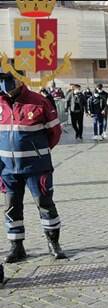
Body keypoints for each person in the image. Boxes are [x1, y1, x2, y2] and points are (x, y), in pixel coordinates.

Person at [0, 72, 67, 264]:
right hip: (8, 170)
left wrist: (39, 152)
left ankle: (53, 243)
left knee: (45, 205)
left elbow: (54, 133)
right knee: (12, 208)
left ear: (20, 80)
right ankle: (16, 247)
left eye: (8, 79)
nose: (4, 84)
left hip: (36, 168)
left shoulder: (39, 101)